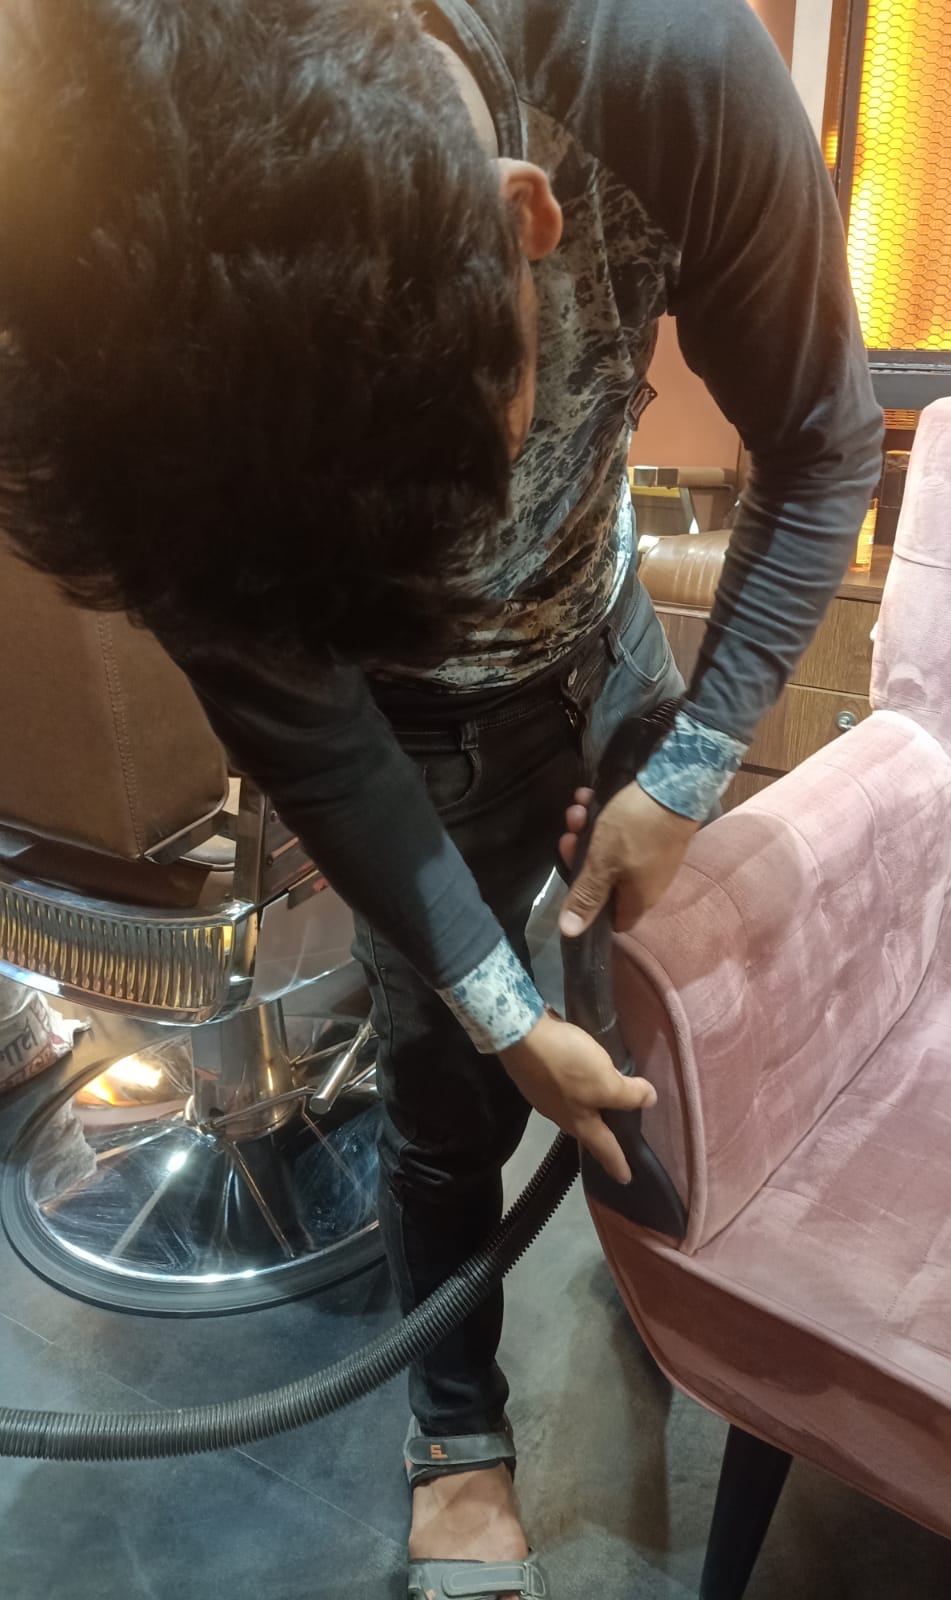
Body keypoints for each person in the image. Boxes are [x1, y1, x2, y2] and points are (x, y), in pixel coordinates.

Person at [0, 0, 883, 1593]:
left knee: (629, 1007)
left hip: (601, 637)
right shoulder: (96, 249)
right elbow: (308, 725)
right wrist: (491, 1008)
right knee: (443, 1092)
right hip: (409, 732)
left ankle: (641, 1262)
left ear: (524, 218)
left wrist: (688, 767)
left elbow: (825, 448)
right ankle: (457, 1428)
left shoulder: (664, 65)